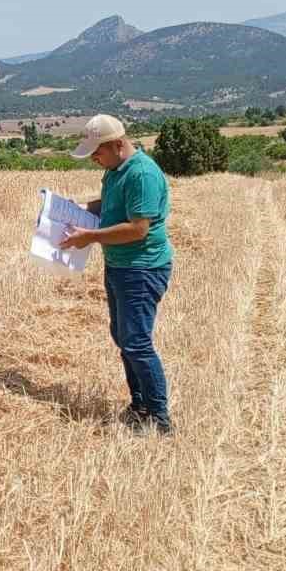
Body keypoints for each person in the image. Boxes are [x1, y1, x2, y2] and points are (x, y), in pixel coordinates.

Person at [59, 114, 174, 434]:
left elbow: (138, 229)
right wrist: (77, 207)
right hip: (119, 265)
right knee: (122, 337)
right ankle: (139, 405)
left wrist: (89, 237)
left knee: (137, 342)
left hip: (142, 267)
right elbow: (109, 204)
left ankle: (159, 419)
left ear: (117, 145)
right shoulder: (115, 171)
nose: (94, 158)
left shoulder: (142, 175)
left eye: (97, 152)